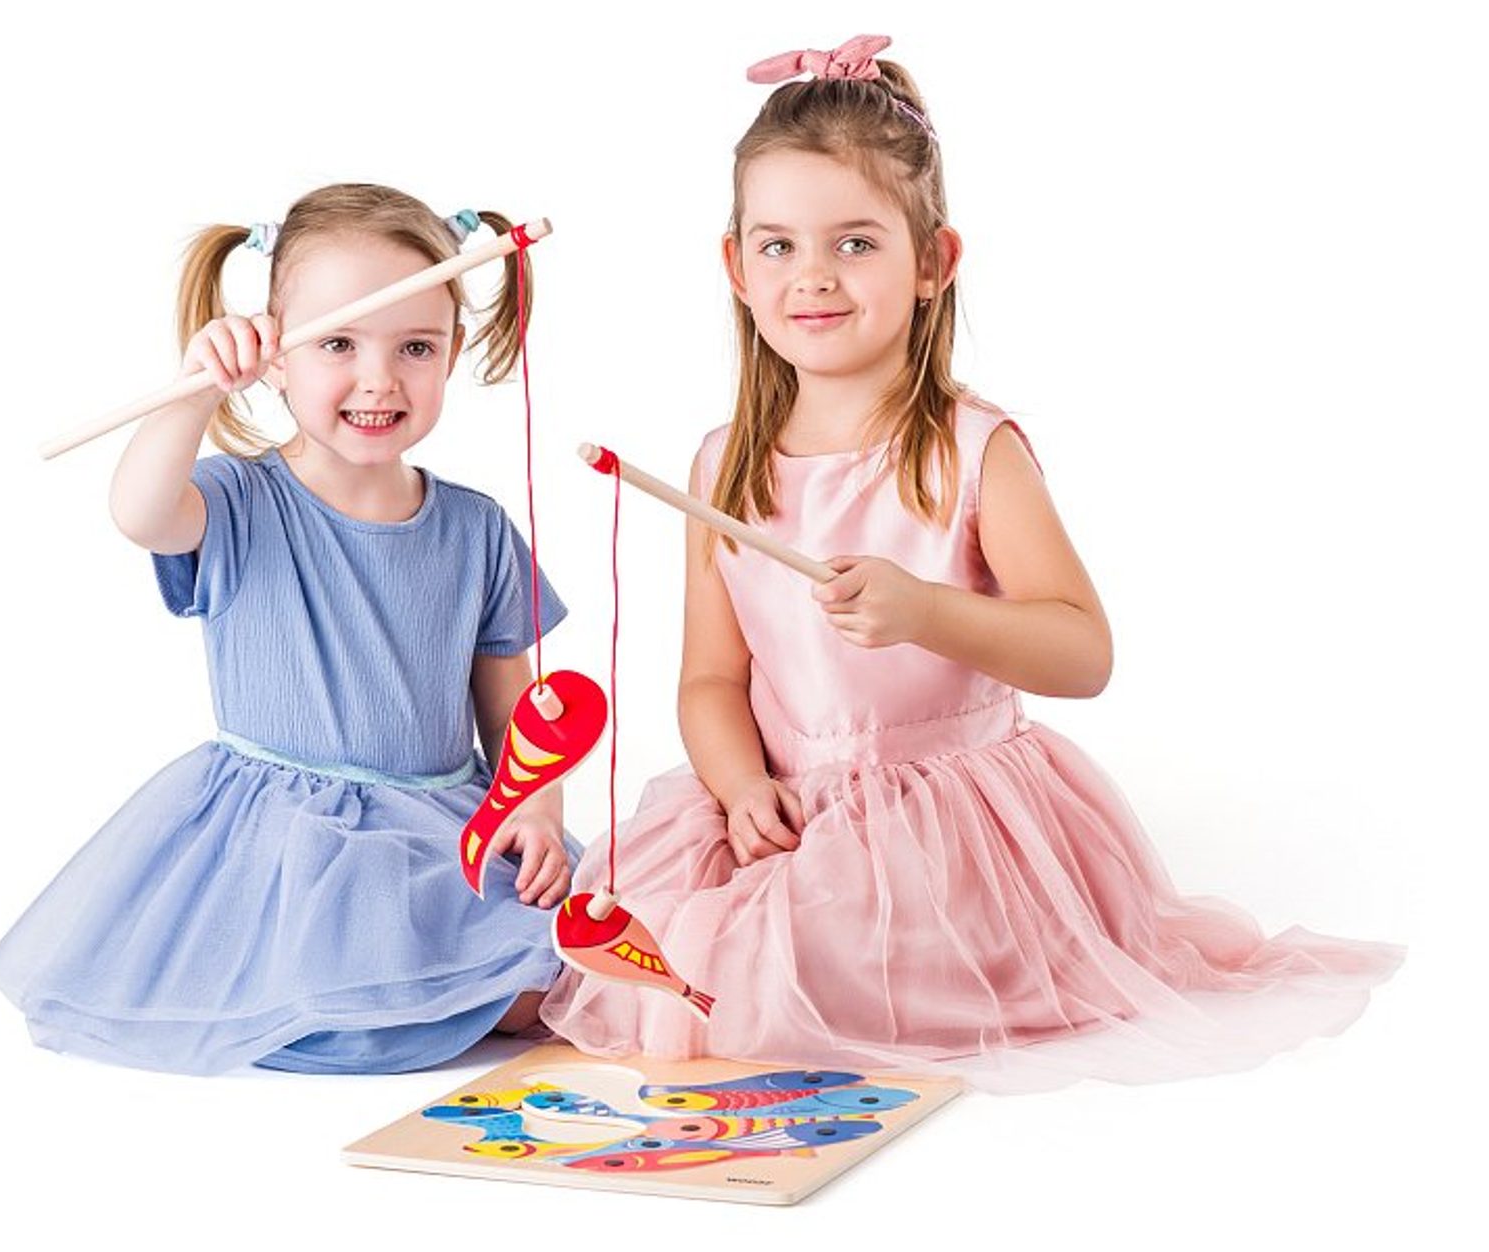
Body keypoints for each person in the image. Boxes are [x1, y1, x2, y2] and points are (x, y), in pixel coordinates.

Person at [539, 38, 1404, 1093]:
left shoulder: (969, 450)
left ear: (932, 263)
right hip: (787, 807)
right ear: (736, 268)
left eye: (855, 243)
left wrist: (928, 611)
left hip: (944, 827)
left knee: (822, 969)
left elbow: (1082, 654)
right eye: (777, 246)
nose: (812, 275)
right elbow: (711, 679)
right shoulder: (723, 465)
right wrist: (740, 786)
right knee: (662, 949)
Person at [0, 183, 577, 1076]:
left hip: (440, 826)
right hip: (288, 845)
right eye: (337, 342)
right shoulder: (238, 501)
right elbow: (141, 513)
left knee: (574, 963)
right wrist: (192, 394)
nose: (379, 379)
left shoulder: (477, 527)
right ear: (273, 355)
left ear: (452, 352)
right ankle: (367, 1000)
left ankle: (456, 990)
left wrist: (535, 802)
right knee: (369, 983)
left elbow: (514, 706)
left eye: (416, 346)